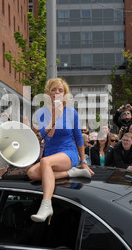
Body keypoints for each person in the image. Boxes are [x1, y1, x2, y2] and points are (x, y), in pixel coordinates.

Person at [27, 78, 93, 223]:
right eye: (53, 89)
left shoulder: (71, 112)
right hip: (51, 155)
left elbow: (79, 138)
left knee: (45, 162)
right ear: (48, 93)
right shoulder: (41, 114)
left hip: (68, 153)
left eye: (60, 90)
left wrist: (83, 162)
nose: (57, 92)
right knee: (31, 173)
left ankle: (46, 205)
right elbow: (48, 136)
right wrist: (55, 116)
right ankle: (70, 173)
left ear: (64, 94)